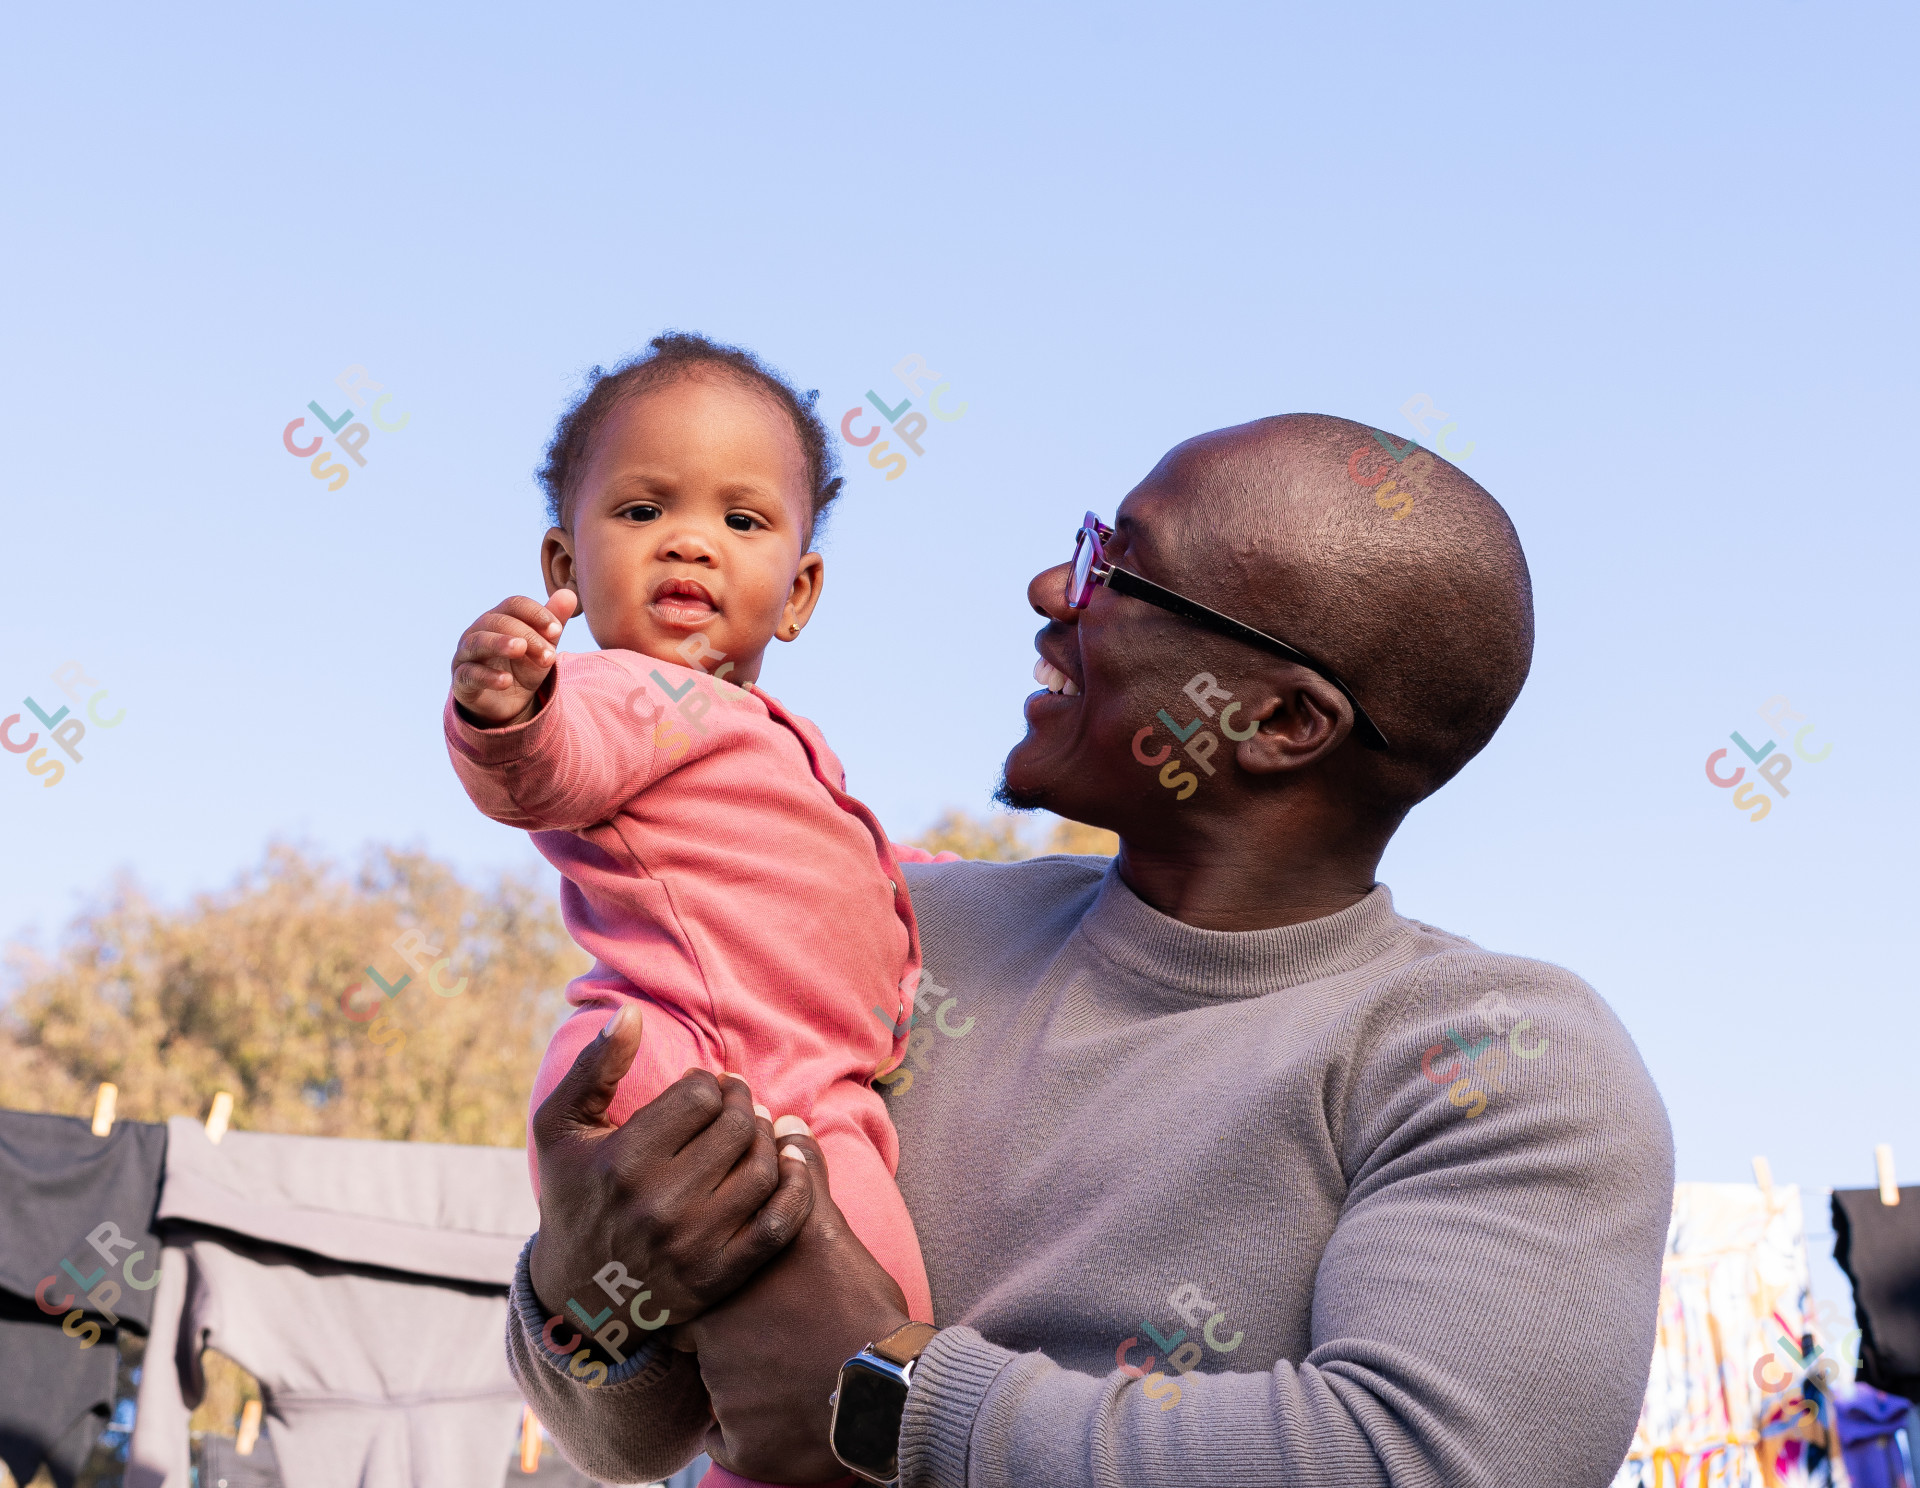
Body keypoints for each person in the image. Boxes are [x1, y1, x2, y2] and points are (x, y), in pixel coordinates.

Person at [506, 413, 1676, 1487]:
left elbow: (1418, 1461)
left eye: (1121, 571)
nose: (1052, 586)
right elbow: (636, 1437)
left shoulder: (1498, 1060)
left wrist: (896, 1395)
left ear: (1280, 722)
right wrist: (586, 1292)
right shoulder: (895, 933)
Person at [445, 334, 950, 1485]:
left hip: (803, 1089)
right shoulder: (622, 692)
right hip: (677, 1060)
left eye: (742, 520)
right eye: (640, 510)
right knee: (842, 1358)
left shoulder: (772, 741)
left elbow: (839, 873)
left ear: (801, 592)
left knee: (880, 1325)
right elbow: (548, 767)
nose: (688, 539)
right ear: (565, 560)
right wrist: (508, 709)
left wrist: (929, 878)